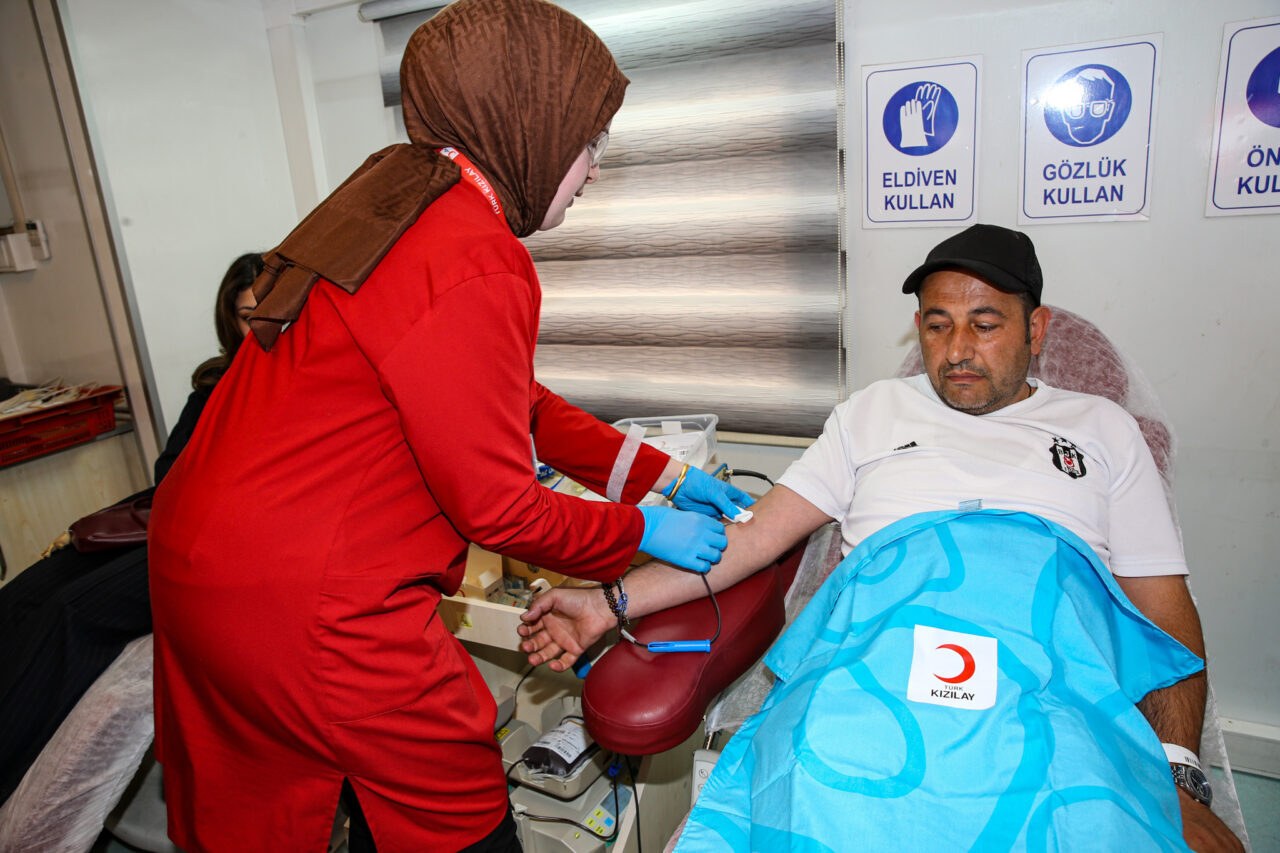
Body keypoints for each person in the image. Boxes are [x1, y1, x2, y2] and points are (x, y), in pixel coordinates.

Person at [147, 1, 751, 851]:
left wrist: (667, 475)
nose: (593, 170)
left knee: (292, 808)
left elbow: (518, 403)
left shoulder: (389, 198)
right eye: (589, 143)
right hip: (307, 603)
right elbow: (500, 509)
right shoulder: (472, 250)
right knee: (454, 811)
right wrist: (644, 531)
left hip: (207, 567)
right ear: (528, 122)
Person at [519, 224, 1244, 852]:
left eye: (985, 324)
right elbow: (753, 538)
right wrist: (608, 602)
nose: (957, 350)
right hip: (872, 674)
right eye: (937, 325)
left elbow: (1164, 610)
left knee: (1086, 813)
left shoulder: (1103, 430)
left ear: (1036, 328)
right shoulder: (872, 414)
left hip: (1048, 688)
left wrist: (1178, 775)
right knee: (818, 777)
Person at [0, 251, 262, 805]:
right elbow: (169, 472)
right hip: (179, 515)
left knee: (69, 612)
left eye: (269, 313)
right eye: (246, 316)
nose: (259, 327)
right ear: (230, 321)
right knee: (28, 589)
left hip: (226, 538)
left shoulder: (300, 381)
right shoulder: (215, 385)